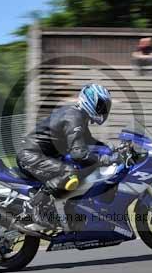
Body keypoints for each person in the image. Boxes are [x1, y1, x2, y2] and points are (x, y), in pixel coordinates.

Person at [16, 84, 122, 229]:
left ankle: (65, 210)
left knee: (80, 171)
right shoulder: (74, 118)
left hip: (40, 155)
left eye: (105, 107)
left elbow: (88, 142)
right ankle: (33, 205)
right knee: (69, 172)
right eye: (101, 106)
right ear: (90, 101)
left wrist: (109, 149)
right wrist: (103, 159)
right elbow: (78, 154)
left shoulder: (78, 116)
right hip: (30, 155)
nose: (103, 110)